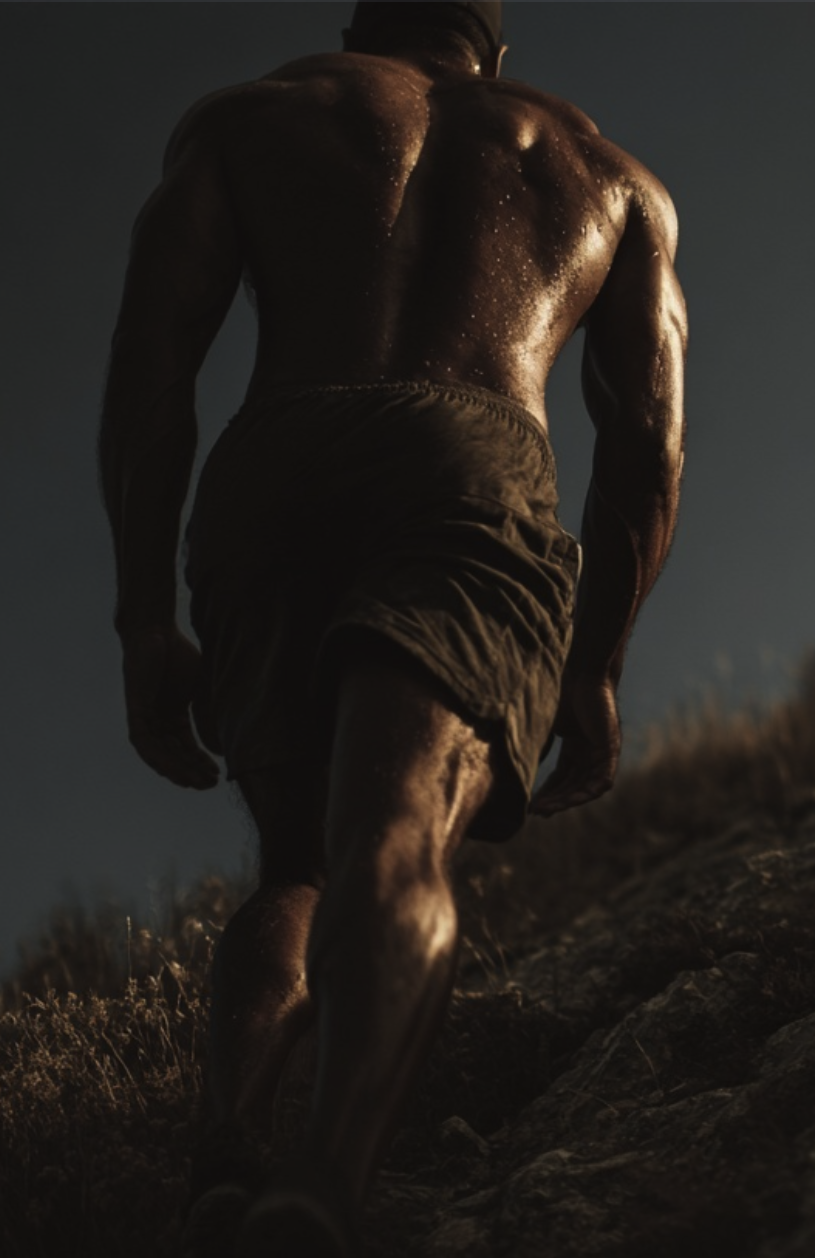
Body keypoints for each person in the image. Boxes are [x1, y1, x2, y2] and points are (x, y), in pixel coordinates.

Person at [95, 3, 685, 1253]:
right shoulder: (605, 176)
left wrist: (144, 619)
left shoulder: (253, 116)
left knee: (298, 866)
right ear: (494, 49)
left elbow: (150, 375)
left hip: (276, 460)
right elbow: (645, 442)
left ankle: (226, 1154)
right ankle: (321, 1183)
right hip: (468, 458)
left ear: (365, 25)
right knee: (401, 830)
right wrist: (596, 660)